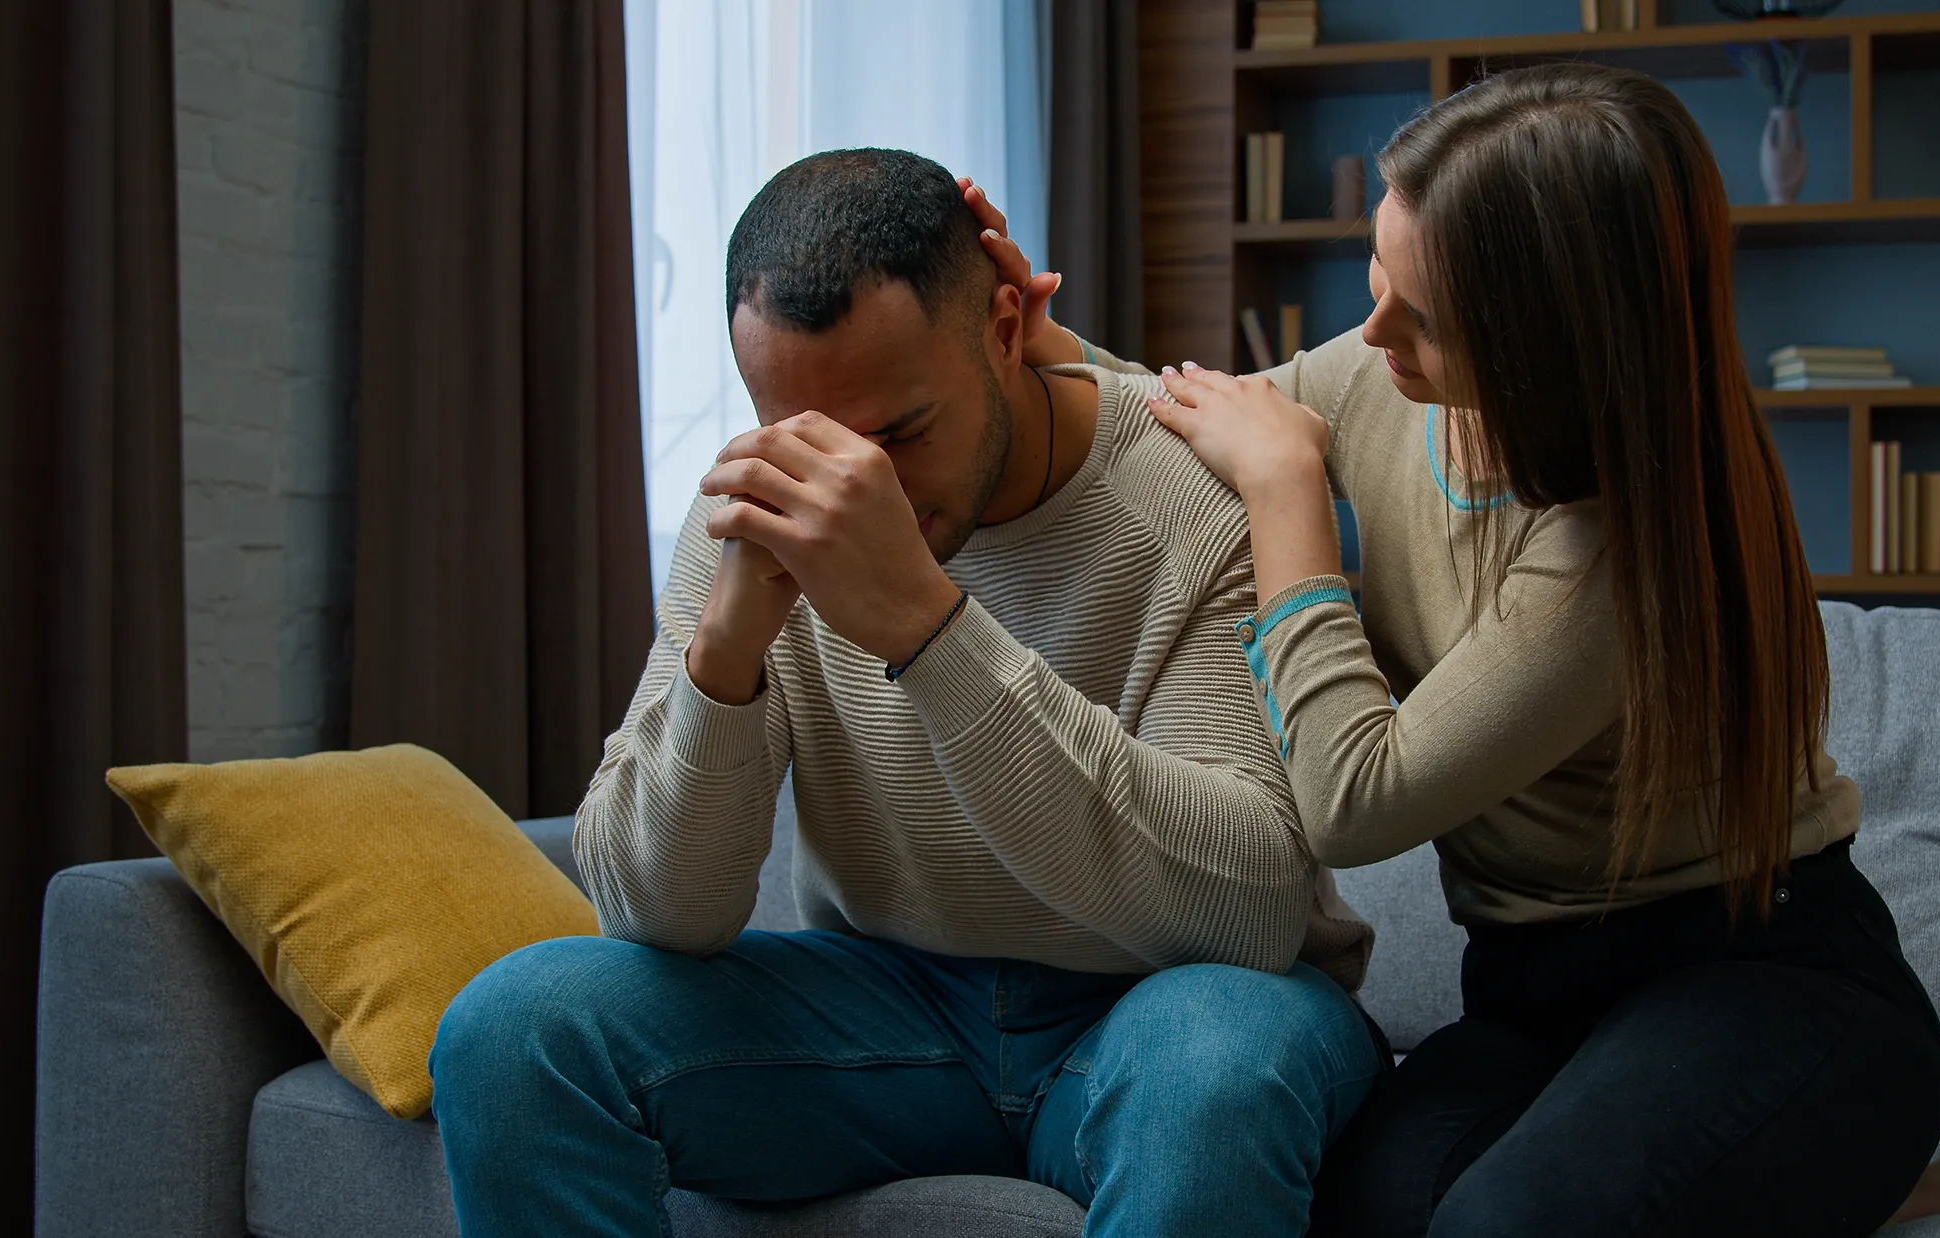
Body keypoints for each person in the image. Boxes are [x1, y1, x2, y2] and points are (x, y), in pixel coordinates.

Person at [970, 62, 1940, 1236]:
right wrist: (1033, 351)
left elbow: (1357, 800)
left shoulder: (1625, 554)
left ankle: (1851, 1170)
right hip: (1528, 991)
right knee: (1361, 1208)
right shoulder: (1382, 376)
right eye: (1379, 279)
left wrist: (1289, 499)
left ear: (1552, 349)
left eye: (1425, 320)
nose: (1369, 334)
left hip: (1768, 981)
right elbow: (1181, 417)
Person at [426, 148, 1387, 1238]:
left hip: (1169, 1001)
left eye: (899, 432)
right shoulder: (757, 514)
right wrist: (726, 649)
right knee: (514, 1028)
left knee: (1212, 1073)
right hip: (887, 1006)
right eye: (815, 439)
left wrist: (931, 630)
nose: (857, 487)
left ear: (1006, 325)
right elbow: (656, 912)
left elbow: (1248, 905)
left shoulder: (1200, 490)